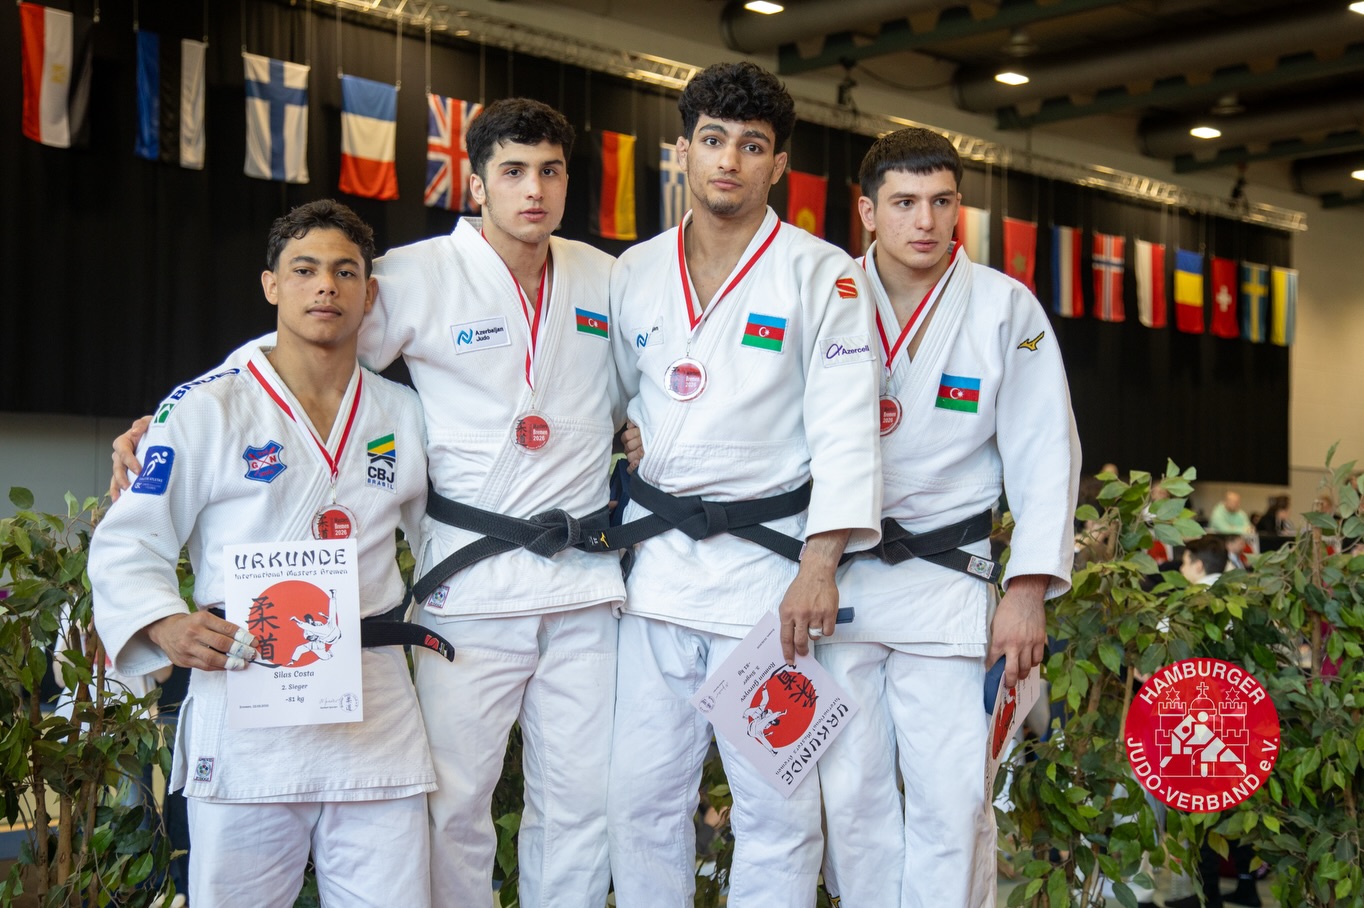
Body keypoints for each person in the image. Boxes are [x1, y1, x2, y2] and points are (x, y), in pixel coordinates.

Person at [109, 99, 624, 908]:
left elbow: (645, 381)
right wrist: (184, 409)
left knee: (560, 810)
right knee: (433, 817)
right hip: (278, 673)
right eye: (514, 170)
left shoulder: (414, 409)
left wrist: (636, 433)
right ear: (477, 182)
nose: (329, 290)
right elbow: (306, 344)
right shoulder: (227, 399)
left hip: (396, 678)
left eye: (551, 171)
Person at [91, 200, 435, 906]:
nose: (326, 288)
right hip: (247, 703)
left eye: (346, 273)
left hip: (371, 709)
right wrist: (163, 624)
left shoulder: (406, 412)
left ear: (369, 293)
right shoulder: (205, 408)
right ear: (270, 284)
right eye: (304, 270)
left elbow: (449, 532)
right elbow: (130, 539)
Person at [605, 61, 882, 907]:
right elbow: (613, 396)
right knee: (639, 802)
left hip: (770, 585)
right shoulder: (636, 270)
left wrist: (820, 563)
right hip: (656, 578)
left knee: (778, 810)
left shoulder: (821, 272)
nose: (729, 160)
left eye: (751, 146)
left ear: (777, 165)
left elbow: (847, 425)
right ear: (682, 151)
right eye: (713, 141)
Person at [816, 127, 1081, 907]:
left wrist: (1027, 588)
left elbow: (1045, 453)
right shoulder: (824, 295)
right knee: (851, 801)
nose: (924, 221)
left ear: (959, 206)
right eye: (903, 203)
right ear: (867, 211)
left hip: (949, 583)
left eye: (940, 202)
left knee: (955, 800)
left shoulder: (1006, 307)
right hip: (841, 583)